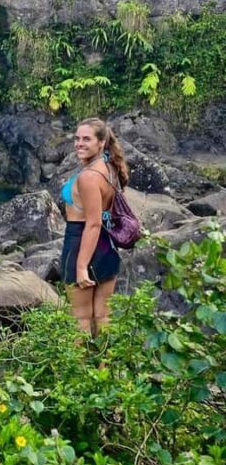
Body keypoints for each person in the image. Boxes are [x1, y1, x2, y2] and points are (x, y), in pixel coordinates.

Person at [60, 118, 129, 335]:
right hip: (107, 244)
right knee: (103, 314)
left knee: (80, 316)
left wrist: (81, 267)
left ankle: (78, 368)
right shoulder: (109, 167)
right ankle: (104, 367)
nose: (79, 143)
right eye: (77, 138)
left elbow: (93, 222)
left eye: (86, 139)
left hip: (82, 241)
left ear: (101, 142)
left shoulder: (89, 177)